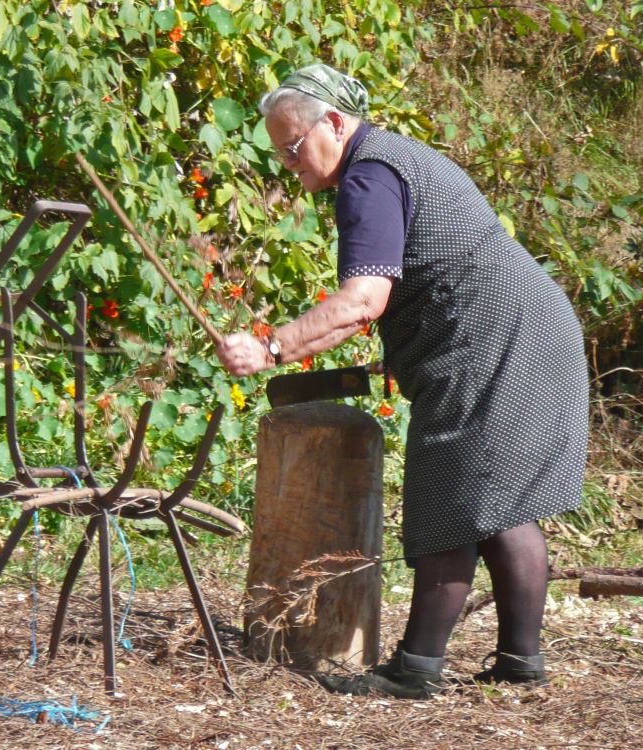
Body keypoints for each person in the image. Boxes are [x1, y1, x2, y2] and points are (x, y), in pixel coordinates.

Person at [215, 64, 589, 699]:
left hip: (494, 342)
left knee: (450, 502)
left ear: (334, 123)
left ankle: (415, 669)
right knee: (500, 505)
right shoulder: (397, 158)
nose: (287, 163)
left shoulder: (369, 176)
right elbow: (437, 269)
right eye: (278, 150)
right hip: (533, 329)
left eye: (292, 146)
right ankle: (520, 661)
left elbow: (364, 300)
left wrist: (272, 347)